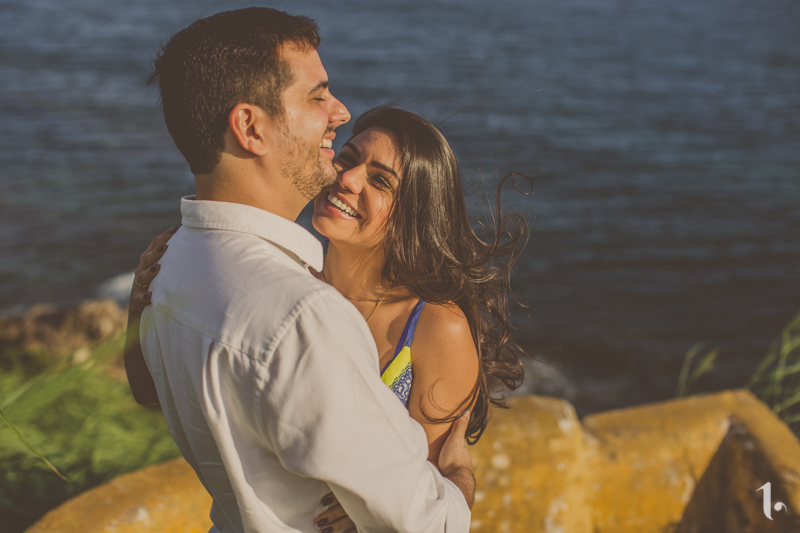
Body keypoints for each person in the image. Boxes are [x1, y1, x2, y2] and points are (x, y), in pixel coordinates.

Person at [125, 7, 475, 533]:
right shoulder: (305, 315)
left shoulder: (173, 263)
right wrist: (461, 479)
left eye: (382, 180)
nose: (339, 111)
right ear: (249, 127)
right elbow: (427, 521)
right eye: (317, 96)